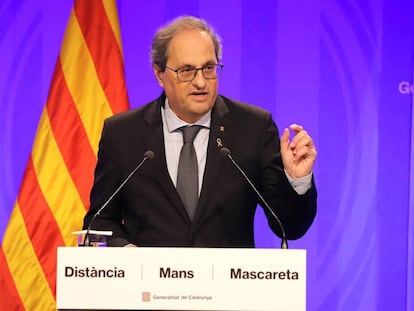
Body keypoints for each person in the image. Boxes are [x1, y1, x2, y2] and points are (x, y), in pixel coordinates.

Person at [83, 16, 317, 248]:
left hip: (227, 284)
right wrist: (127, 253)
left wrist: (297, 181)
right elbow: (99, 221)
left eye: (208, 68)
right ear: (159, 74)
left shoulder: (253, 128)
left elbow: (289, 227)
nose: (201, 82)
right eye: (186, 70)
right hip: (148, 284)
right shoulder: (123, 133)